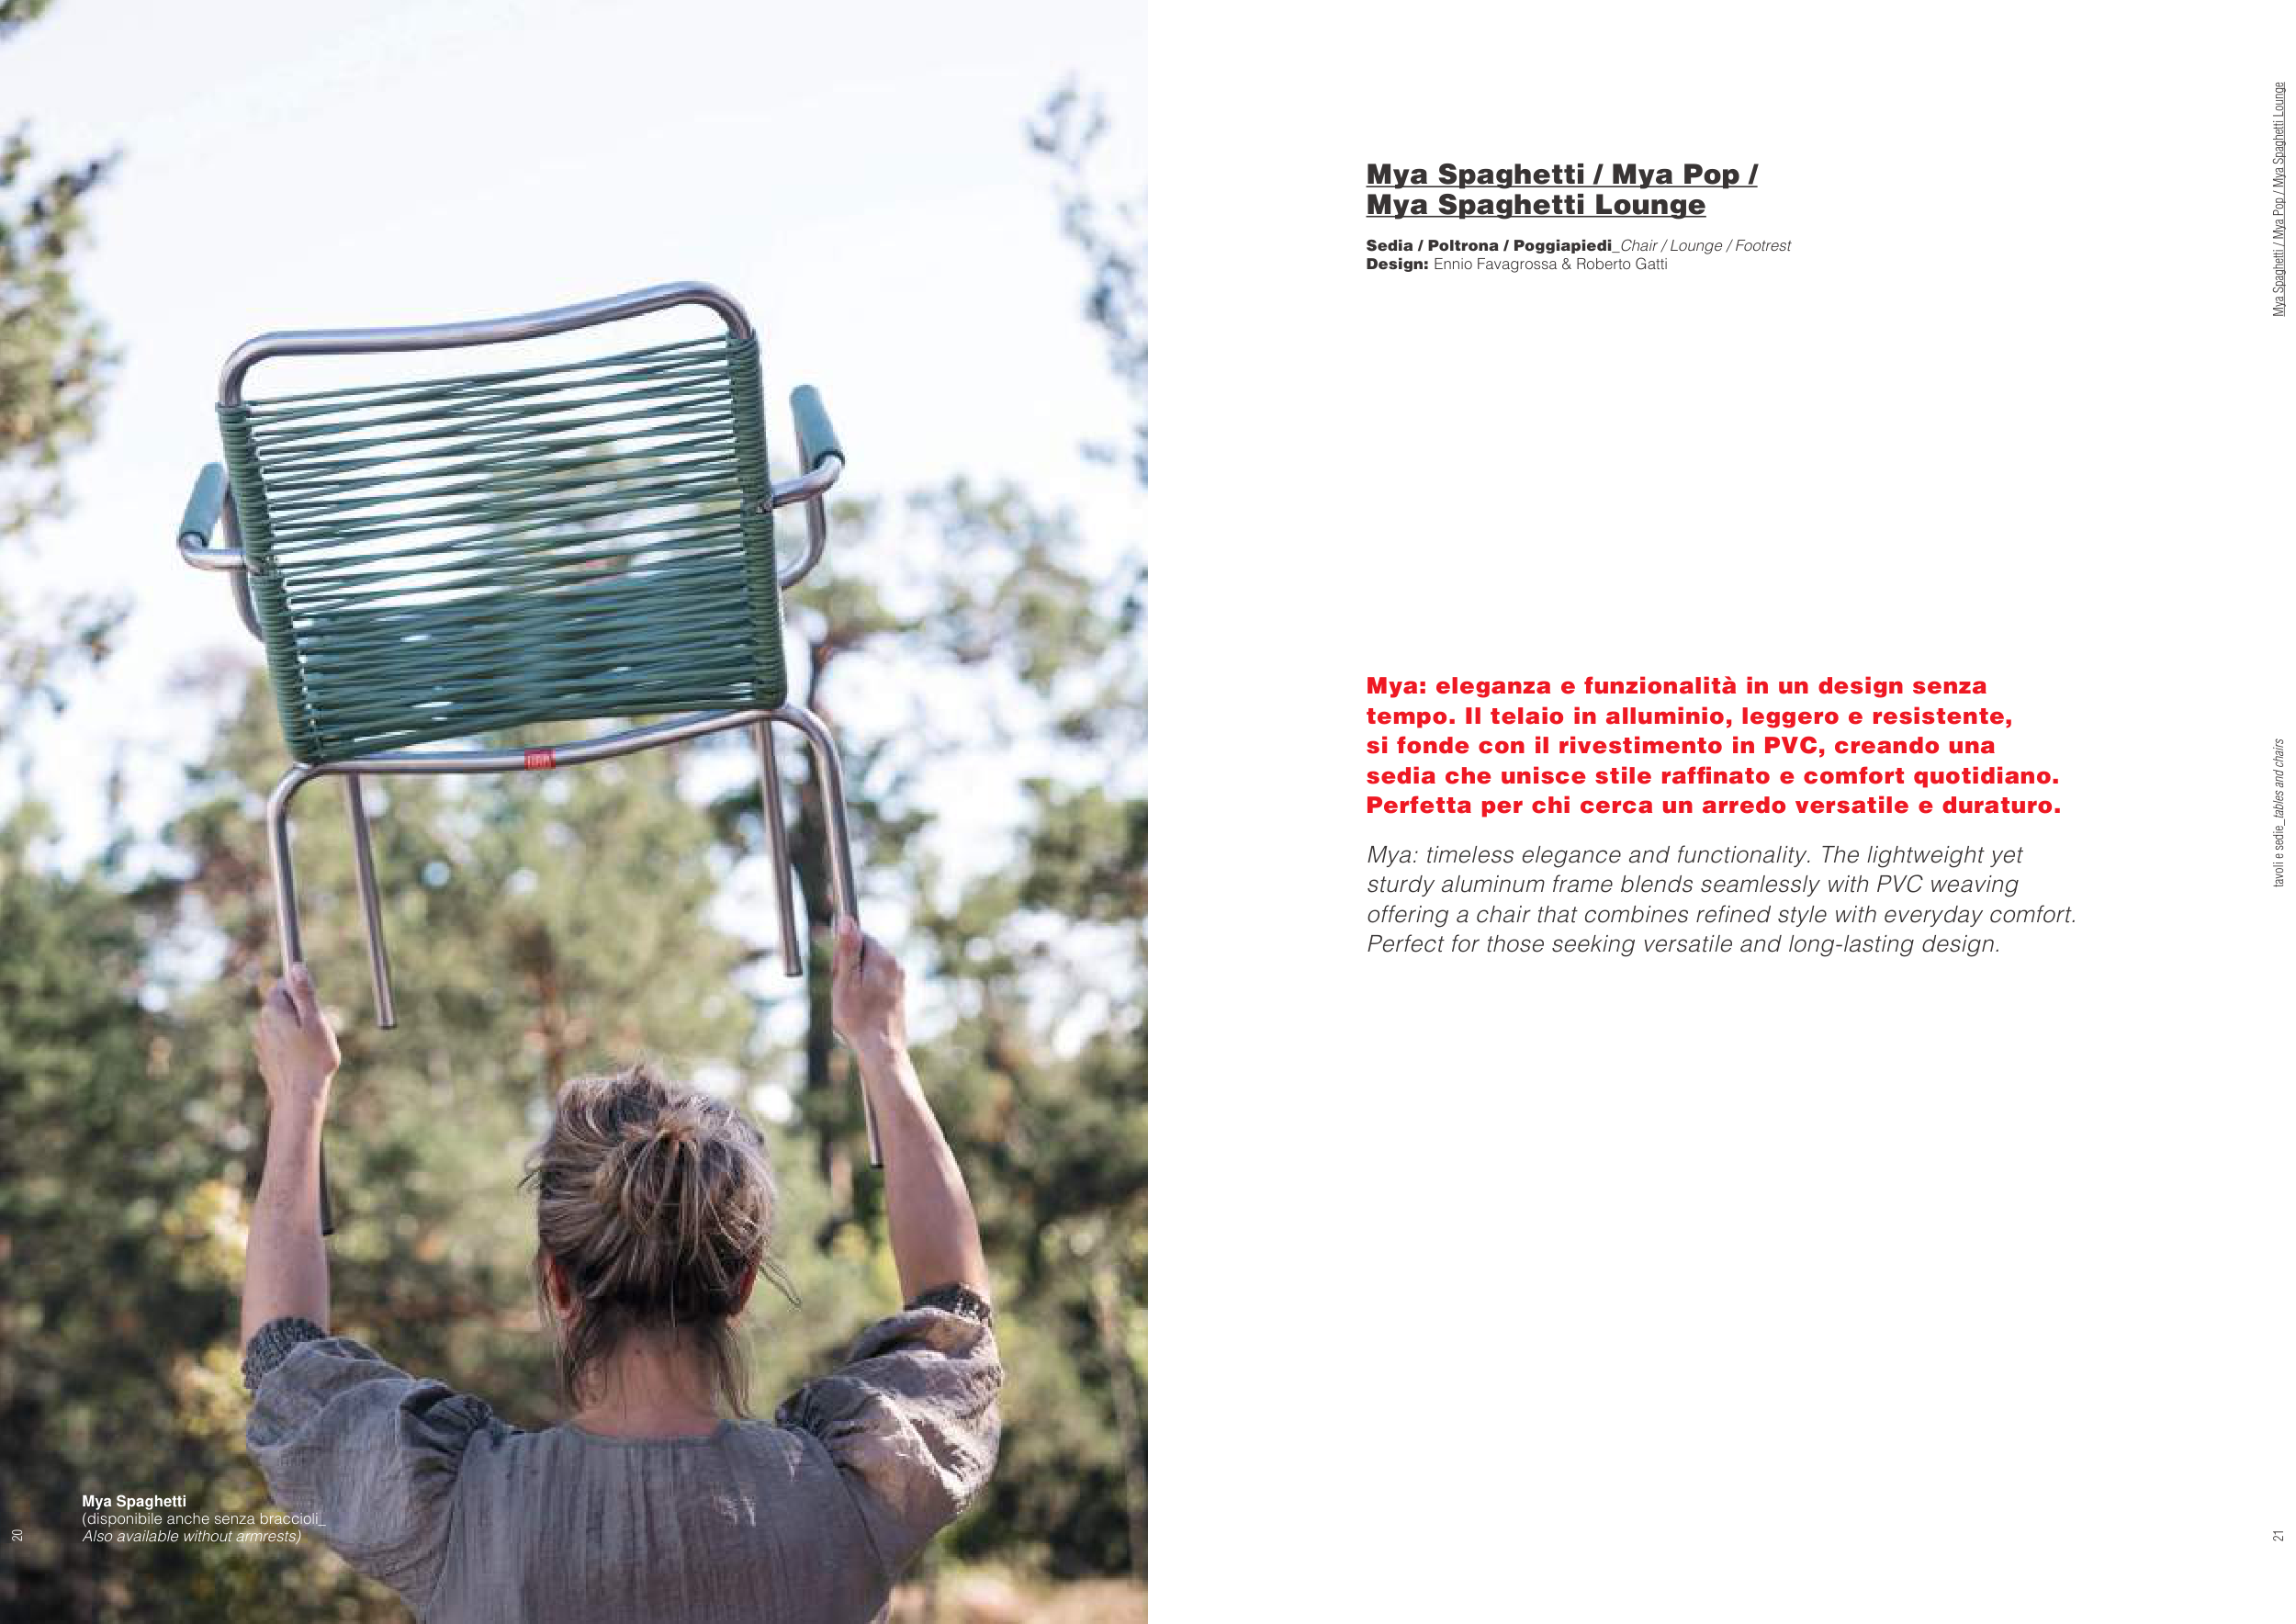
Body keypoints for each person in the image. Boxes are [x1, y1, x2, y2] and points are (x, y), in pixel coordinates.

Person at [238, 919, 1000, 1624]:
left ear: (557, 1283)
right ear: (741, 1285)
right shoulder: (848, 1493)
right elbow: (954, 1324)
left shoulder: (460, 1511)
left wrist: (299, 1096)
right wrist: (882, 1049)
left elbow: (283, 1362)